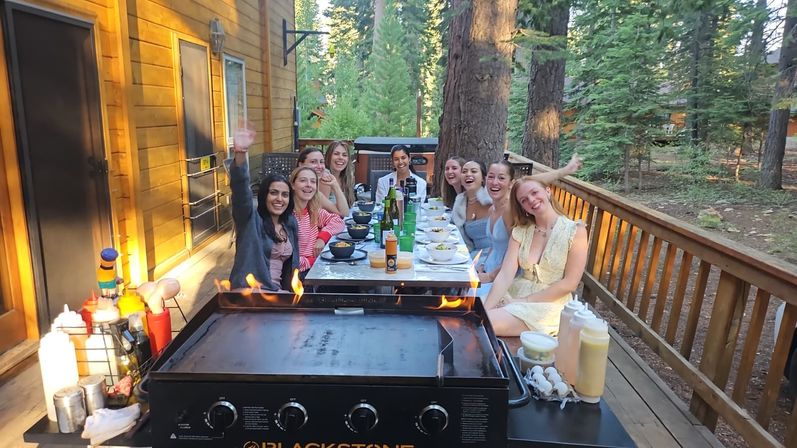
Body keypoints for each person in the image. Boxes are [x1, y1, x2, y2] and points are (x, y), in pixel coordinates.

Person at [483, 176, 588, 337]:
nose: (531, 200)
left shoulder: (575, 231)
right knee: (473, 313)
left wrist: (524, 301)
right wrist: (488, 307)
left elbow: (570, 283)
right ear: (522, 207)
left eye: (534, 192)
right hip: (514, 294)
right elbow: (505, 275)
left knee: (484, 322)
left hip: (550, 303)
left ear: (548, 191)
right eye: (524, 200)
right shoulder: (521, 231)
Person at [477, 154, 583, 295]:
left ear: (511, 183)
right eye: (491, 177)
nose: (494, 182)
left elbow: (532, 183)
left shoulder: (510, 210)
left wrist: (564, 171)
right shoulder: (492, 208)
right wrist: (483, 265)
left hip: (505, 276)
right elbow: (494, 245)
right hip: (488, 269)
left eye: (501, 178)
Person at [228, 128, 299, 291]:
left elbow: (292, 268)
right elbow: (240, 190)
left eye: (285, 194)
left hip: (279, 293)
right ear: (264, 195)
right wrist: (240, 152)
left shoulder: (289, 223)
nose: (279, 199)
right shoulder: (250, 219)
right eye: (273, 193)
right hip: (251, 292)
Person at [290, 166, 345, 274]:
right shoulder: (289, 216)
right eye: (303, 180)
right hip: (299, 274)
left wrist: (322, 238)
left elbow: (338, 221)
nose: (308, 185)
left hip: (315, 267)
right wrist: (314, 261)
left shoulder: (313, 211)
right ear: (292, 185)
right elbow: (288, 260)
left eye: (313, 181)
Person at [451, 160, 492, 254]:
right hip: (471, 254)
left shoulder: (492, 200)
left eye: (473, 171)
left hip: (495, 256)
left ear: (483, 178)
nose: (468, 174)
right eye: (464, 171)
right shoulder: (460, 202)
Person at [297, 147, 349, 217]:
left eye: (321, 162)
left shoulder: (314, 191)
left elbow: (344, 214)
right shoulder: (296, 188)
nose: (319, 166)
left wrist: (335, 185)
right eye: (313, 162)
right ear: (301, 164)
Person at [324, 140, 355, 208]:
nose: (341, 157)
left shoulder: (349, 177)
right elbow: (323, 210)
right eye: (336, 154)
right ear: (329, 156)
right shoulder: (325, 178)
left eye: (344, 155)